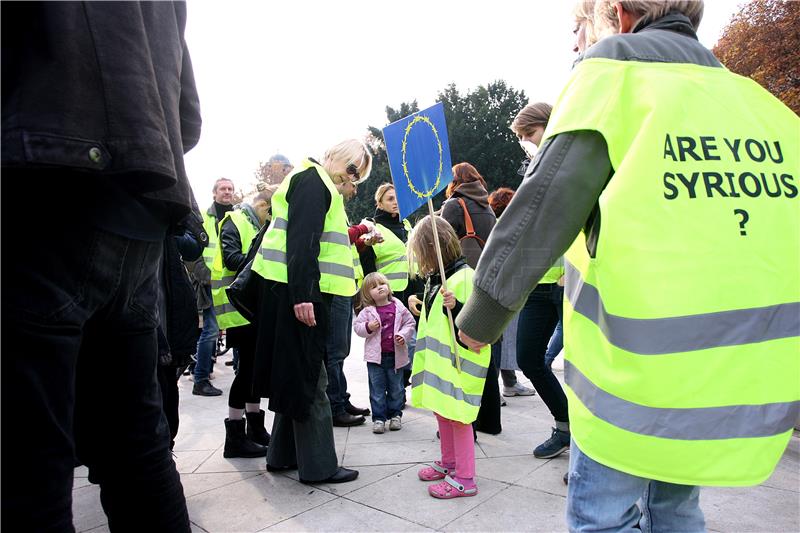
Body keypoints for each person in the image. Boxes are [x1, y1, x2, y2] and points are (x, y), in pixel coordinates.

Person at [456, 0, 799, 530]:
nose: (574, 44)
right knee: (677, 509)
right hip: (724, 379)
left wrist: (481, 319)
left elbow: (542, 209)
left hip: (631, 376)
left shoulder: (611, 77)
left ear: (615, 14)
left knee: (603, 516)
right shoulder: (757, 106)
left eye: (577, 26)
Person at [1, 2, 200, 530]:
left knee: (27, 466)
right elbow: (187, 116)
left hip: (42, 186)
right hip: (139, 205)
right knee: (136, 449)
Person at [251, 139, 373, 484]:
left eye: (357, 175)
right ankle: (319, 466)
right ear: (334, 155)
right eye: (352, 169)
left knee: (299, 373)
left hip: (295, 290)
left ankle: (282, 455)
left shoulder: (310, 179)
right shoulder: (313, 180)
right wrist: (303, 295)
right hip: (302, 292)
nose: (351, 177)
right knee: (311, 377)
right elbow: (302, 241)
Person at [409, 216, 491, 499]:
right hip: (443, 369)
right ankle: (449, 462)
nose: (418, 260)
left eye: (419, 253)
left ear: (431, 249)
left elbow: (478, 329)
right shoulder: (436, 280)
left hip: (461, 369)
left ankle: (465, 478)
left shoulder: (464, 278)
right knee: (443, 413)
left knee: (458, 418)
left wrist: (456, 308)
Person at [212, 192, 276, 458]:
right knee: (246, 371)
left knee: (253, 370)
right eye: (270, 213)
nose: (272, 219)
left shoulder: (252, 223)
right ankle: (235, 436)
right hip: (238, 307)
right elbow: (231, 259)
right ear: (261, 205)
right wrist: (262, 260)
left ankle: (255, 428)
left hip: (250, 308)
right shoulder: (235, 220)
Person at [440, 163, 501, 435]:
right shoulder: (486, 204)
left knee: (460, 350)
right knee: (484, 349)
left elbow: (440, 240)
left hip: (462, 280)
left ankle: (465, 422)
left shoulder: (455, 204)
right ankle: (490, 420)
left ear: (455, 181)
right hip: (488, 280)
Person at [360, 183, 421, 396]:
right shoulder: (371, 225)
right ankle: (393, 389)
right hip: (386, 296)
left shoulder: (405, 224)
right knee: (391, 345)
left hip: (411, 290)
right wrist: (370, 295)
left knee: (410, 341)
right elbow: (366, 263)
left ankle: (400, 383)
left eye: (397, 198)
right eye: (390, 199)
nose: (395, 202)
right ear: (379, 203)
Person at [158, 209, 208, 450]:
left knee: (166, 387)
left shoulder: (171, 223)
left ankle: (165, 448)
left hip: (167, 318)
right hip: (136, 312)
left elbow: (193, 245)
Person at [485, 187, 537, 398]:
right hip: (507, 288)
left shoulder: (497, 226)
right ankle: (499, 389)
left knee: (505, 339)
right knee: (502, 339)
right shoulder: (508, 228)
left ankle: (509, 383)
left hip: (501, 287)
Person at [188, 177, 237, 396]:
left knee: (236, 327)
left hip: (233, 283)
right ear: (214, 193)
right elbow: (192, 253)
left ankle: (239, 369)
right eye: (223, 189)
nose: (227, 192)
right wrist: (205, 276)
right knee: (210, 331)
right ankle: (200, 378)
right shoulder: (204, 219)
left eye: (230, 189)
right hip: (211, 283)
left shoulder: (237, 217)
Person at [354, 272, 416, 434]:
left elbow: (410, 323)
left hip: (395, 357)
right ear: (368, 294)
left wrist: (403, 335)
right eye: (373, 287)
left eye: (382, 284)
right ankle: (379, 418)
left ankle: (395, 415)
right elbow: (357, 327)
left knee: (396, 389)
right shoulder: (368, 311)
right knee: (377, 390)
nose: (379, 288)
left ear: (388, 287)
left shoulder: (399, 307)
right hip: (375, 360)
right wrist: (368, 327)